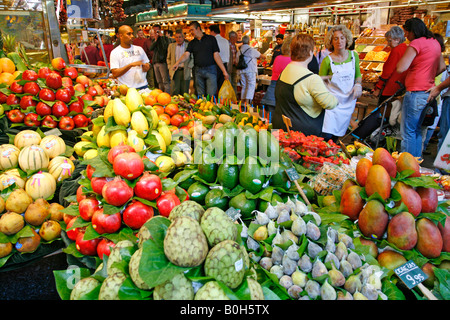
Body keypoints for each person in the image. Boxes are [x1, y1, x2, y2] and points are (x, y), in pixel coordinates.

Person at [396, 17, 446, 157]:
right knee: (418, 131)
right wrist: (428, 75)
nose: (406, 36)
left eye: (407, 32)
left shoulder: (416, 43)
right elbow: (442, 67)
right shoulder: (434, 43)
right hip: (428, 92)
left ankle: (407, 166)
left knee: (408, 132)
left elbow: (401, 67)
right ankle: (416, 163)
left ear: (413, 31)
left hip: (415, 92)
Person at [272, 34, 338, 137]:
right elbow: (330, 103)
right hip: (302, 137)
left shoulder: (285, 71)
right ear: (311, 52)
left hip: (280, 130)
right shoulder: (312, 79)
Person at [319, 25, 363, 141]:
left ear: (347, 39)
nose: (339, 41)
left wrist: (358, 84)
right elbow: (320, 83)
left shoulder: (354, 56)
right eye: (336, 38)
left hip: (348, 103)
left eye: (342, 38)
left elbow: (358, 74)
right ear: (331, 41)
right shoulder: (327, 60)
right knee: (328, 136)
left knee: (339, 135)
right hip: (332, 105)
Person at [172, 21, 228, 98]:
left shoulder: (211, 39)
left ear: (198, 28)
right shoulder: (192, 43)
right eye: (190, 30)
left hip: (211, 70)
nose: (191, 32)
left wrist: (224, 71)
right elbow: (186, 54)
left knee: (211, 94)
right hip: (198, 71)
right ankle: (201, 109)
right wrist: (177, 63)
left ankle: (211, 109)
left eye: (192, 30)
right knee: (200, 95)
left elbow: (216, 55)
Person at [372, 26, 408, 104]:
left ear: (397, 40)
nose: (388, 44)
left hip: (391, 89)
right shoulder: (406, 48)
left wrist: (378, 88)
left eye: (389, 41)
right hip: (401, 87)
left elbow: (388, 72)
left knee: (385, 112)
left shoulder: (396, 50)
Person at [109, 25, 150, 90]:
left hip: (143, 87)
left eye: (132, 33)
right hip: (126, 90)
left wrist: (146, 66)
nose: (132, 36)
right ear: (121, 36)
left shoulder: (139, 49)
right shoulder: (115, 52)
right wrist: (130, 65)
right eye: (129, 34)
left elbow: (147, 64)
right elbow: (115, 73)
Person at [261, 35, 293, 115]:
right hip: (283, 91)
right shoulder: (292, 61)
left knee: (270, 117)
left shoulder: (278, 58)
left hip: (272, 90)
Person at [238, 35, 265, 105]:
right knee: (251, 85)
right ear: (249, 41)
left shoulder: (239, 51)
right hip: (250, 70)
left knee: (244, 86)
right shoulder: (252, 50)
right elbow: (262, 56)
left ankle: (243, 102)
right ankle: (248, 103)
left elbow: (236, 61)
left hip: (242, 71)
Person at [167, 30, 193, 95]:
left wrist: (189, 67)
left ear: (183, 37)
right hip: (175, 71)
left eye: (180, 37)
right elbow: (168, 58)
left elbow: (193, 58)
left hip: (185, 70)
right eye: (177, 37)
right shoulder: (171, 46)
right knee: (175, 90)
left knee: (185, 90)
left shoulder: (188, 45)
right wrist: (170, 67)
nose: (178, 39)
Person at [149, 24, 171, 93]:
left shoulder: (165, 38)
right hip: (155, 62)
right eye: (154, 31)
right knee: (159, 81)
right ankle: (161, 95)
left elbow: (164, 48)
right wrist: (156, 40)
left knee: (165, 81)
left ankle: (167, 95)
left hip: (162, 62)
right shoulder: (154, 40)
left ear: (160, 30)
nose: (156, 32)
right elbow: (151, 48)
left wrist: (161, 38)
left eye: (157, 30)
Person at [209, 24, 230, 91]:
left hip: (215, 65)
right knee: (222, 88)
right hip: (225, 65)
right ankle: (221, 101)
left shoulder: (213, 40)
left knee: (213, 87)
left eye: (210, 32)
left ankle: (214, 101)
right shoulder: (226, 41)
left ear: (212, 32)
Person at [227, 30, 239, 96]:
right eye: (235, 37)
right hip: (229, 66)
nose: (236, 39)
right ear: (231, 37)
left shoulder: (235, 45)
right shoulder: (227, 45)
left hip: (234, 66)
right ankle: (229, 97)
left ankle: (234, 96)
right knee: (229, 82)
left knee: (234, 82)